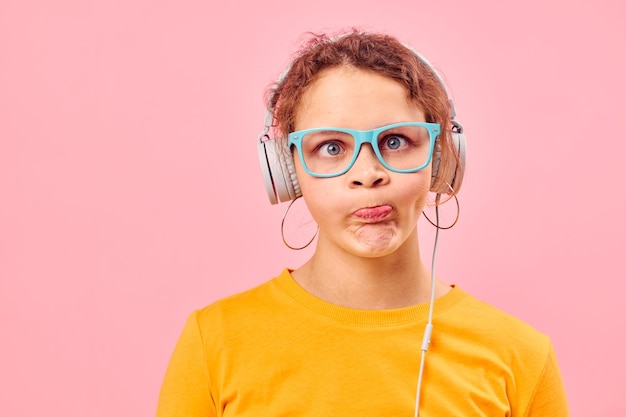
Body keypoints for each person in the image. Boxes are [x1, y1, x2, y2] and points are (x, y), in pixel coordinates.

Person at [156, 30, 569, 416]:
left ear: (441, 159)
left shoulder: (521, 355)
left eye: (395, 141)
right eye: (331, 147)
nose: (367, 173)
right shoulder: (213, 343)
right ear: (287, 171)